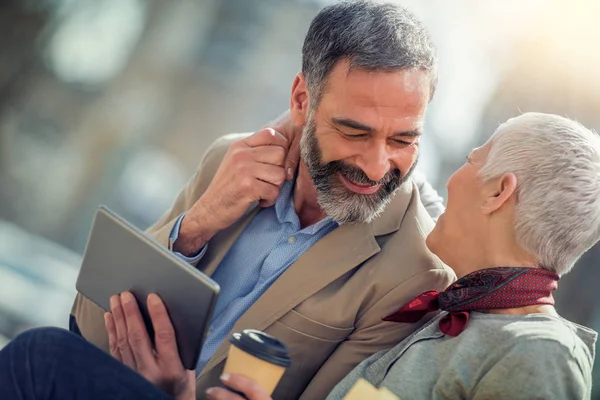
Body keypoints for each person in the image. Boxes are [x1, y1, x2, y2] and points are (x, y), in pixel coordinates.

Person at [1, 112, 597, 400]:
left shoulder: (536, 356)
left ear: (499, 191)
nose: (458, 175)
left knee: (41, 360)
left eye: (474, 160)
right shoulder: (449, 317)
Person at [71, 2, 455, 399]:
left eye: (403, 140)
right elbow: (87, 325)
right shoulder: (229, 161)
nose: (376, 169)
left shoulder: (417, 275)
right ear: (302, 101)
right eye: (354, 133)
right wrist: (199, 223)